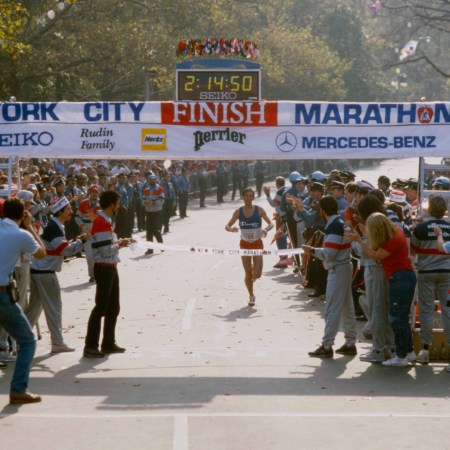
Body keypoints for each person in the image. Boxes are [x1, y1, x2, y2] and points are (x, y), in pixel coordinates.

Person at [345, 213, 417, 367]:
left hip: (399, 279)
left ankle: (401, 356)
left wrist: (360, 241)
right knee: (401, 318)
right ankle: (409, 352)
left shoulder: (392, 240)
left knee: (396, 318)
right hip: (404, 277)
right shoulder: (396, 230)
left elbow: (376, 256)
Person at [25, 196, 87, 353]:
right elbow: (66, 250)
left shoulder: (54, 224)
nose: (70, 211)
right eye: (67, 209)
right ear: (60, 212)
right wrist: (83, 241)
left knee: (34, 308)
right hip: (46, 273)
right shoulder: (54, 226)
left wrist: (77, 241)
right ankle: (57, 342)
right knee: (54, 308)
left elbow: (61, 247)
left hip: (38, 271)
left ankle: (21, 339)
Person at [0, 197, 46, 404]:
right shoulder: (22, 235)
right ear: (23, 214)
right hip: (2, 294)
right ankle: (18, 389)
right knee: (27, 340)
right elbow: (42, 252)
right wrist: (30, 227)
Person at [303, 196, 356, 358]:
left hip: (337, 268)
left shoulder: (333, 226)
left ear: (323, 211)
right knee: (347, 307)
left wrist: (311, 250)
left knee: (332, 308)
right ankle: (350, 342)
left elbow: (329, 254)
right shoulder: (340, 223)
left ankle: (327, 345)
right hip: (345, 266)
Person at [83, 190, 131, 358]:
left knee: (113, 307)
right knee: (101, 308)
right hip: (104, 267)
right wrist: (120, 245)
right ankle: (91, 345)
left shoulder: (106, 219)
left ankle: (108, 343)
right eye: (118, 203)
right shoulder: (102, 222)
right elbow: (105, 251)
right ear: (112, 204)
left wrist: (119, 242)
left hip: (110, 266)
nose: (119, 205)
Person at [411, 195, 450, 365]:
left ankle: (425, 350)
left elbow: (413, 250)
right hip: (447, 273)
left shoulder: (421, 228)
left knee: (426, 310)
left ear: (429, 209)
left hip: (426, 273)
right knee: (448, 311)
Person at [225, 187, 273, 306]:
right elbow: (227, 225)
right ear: (242, 197)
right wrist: (231, 229)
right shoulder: (238, 212)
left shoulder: (259, 210)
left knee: (257, 274)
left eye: (251, 196)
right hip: (244, 244)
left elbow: (271, 223)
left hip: (257, 243)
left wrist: (266, 229)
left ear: (253, 197)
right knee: (247, 273)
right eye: (246, 195)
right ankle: (251, 295)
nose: (248, 198)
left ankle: (253, 271)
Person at [75, 184, 101, 282]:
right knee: (89, 256)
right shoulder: (83, 203)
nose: (95, 194)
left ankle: (98, 274)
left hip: (98, 232)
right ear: (89, 193)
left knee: (98, 255)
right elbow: (77, 217)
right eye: (93, 192)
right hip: (87, 232)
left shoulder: (101, 204)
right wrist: (82, 226)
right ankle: (92, 275)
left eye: (96, 192)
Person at [143, 175, 165, 255]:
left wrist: (154, 202)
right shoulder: (146, 189)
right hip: (149, 211)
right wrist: (145, 203)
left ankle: (161, 245)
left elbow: (162, 200)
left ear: (156, 180)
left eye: (153, 179)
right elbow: (143, 199)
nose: (152, 181)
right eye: (151, 179)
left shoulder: (160, 189)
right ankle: (150, 249)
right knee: (148, 230)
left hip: (157, 211)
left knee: (155, 230)